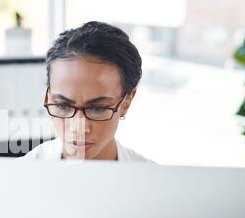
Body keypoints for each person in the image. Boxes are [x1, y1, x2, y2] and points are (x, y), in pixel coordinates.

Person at [23, 21, 152, 162]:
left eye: (97, 108)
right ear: (49, 98)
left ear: (126, 102)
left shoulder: (156, 181)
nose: (78, 128)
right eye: (63, 106)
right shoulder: (18, 176)